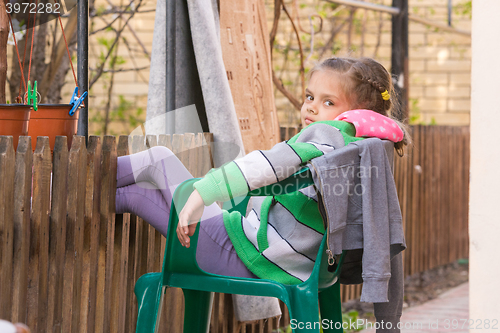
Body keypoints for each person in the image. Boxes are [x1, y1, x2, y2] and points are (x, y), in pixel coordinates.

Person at [115, 56, 410, 283]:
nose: (311, 107)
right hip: (285, 264)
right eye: (310, 97)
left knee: (158, 159)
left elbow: (265, 165)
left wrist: (200, 194)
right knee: (138, 192)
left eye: (328, 102)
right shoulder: (360, 148)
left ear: (356, 113)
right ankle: (81, 197)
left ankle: (74, 190)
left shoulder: (328, 138)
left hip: (244, 257)